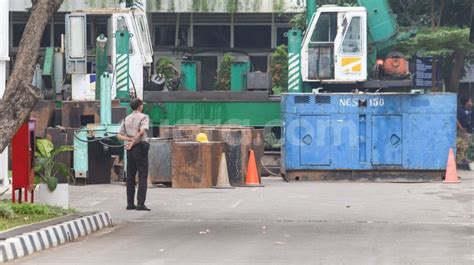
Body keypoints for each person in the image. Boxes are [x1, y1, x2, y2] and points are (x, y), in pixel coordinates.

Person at [117, 98, 151, 211]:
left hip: (130, 150)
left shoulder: (126, 118)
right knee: (142, 175)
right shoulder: (144, 117)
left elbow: (119, 135)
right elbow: (142, 132)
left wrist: (129, 140)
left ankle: (130, 203)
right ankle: (140, 204)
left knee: (130, 176)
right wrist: (133, 141)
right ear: (140, 106)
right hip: (140, 147)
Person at [457, 96, 473, 162]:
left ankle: (466, 158)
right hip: (463, 131)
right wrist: (461, 128)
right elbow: (456, 120)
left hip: (470, 130)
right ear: (466, 102)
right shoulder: (460, 111)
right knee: (465, 145)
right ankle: (463, 158)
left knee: (469, 144)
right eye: (470, 101)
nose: (471, 102)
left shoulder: (470, 111)